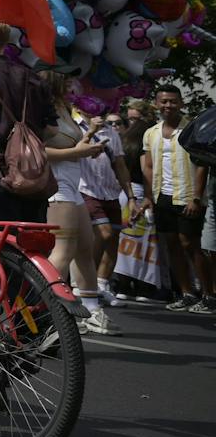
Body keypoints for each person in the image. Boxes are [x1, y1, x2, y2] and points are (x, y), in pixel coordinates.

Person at [37, 74, 117, 336]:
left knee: (85, 247)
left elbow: (72, 145)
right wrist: (78, 152)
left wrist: (88, 141)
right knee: (63, 251)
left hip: (73, 185)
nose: (75, 83)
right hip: (57, 185)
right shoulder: (44, 106)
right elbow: (38, 150)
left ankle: (92, 311)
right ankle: (40, 315)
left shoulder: (63, 107)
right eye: (68, 77)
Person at [0, 16, 55, 222]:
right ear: (7, 40)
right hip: (34, 173)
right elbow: (53, 129)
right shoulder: (32, 76)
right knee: (31, 240)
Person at [142, 85, 211, 311]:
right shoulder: (151, 133)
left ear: (181, 103)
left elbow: (202, 165)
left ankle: (209, 295)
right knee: (172, 245)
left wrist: (196, 198)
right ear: (156, 104)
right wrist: (149, 196)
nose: (168, 106)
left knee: (190, 244)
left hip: (188, 196)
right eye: (163, 101)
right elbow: (148, 166)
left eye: (172, 101)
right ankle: (186, 292)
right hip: (163, 196)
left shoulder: (193, 129)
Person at [80, 110, 138, 305]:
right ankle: (87, 286)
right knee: (103, 234)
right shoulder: (75, 127)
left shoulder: (111, 132)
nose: (99, 111)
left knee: (113, 238)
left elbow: (120, 165)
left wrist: (131, 197)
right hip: (86, 189)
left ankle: (101, 285)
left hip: (110, 191)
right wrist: (90, 132)